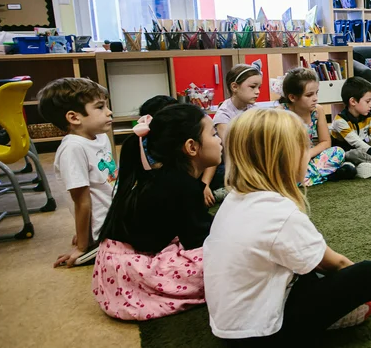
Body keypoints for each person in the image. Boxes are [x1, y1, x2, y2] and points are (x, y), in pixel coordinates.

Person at [204, 109, 371, 345]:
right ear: (285, 158)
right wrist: (355, 289)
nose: (308, 156)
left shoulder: (235, 198)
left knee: (305, 263)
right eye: (304, 149)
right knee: (369, 273)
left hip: (228, 324)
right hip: (263, 335)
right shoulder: (280, 214)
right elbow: (336, 264)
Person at [92, 104, 222, 320]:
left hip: (114, 268)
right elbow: (199, 240)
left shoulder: (167, 177)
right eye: (214, 134)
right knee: (224, 258)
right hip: (131, 274)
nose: (219, 141)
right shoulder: (182, 185)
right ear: (191, 147)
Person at [38, 78, 116, 268]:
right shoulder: (72, 149)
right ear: (74, 118)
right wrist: (83, 245)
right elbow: (82, 202)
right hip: (108, 229)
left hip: (117, 213)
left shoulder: (100, 137)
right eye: (100, 107)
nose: (109, 112)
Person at [279, 67, 355, 184]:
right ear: (292, 97)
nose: (315, 98)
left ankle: (302, 179)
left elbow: (325, 142)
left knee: (338, 152)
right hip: (288, 160)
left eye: (316, 93)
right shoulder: (280, 113)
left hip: (309, 157)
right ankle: (326, 176)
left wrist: (308, 154)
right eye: (309, 95)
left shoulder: (317, 111)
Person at [201, 63, 262, 205]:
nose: (257, 92)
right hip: (231, 166)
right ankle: (228, 191)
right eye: (253, 87)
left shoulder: (253, 108)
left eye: (259, 87)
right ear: (234, 87)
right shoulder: (223, 116)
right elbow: (234, 149)